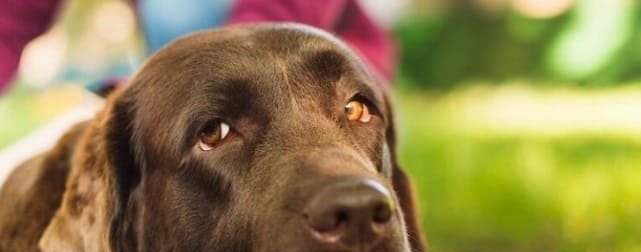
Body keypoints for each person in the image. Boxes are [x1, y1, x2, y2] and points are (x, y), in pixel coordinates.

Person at [0, 0, 396, 93]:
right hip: (186, 94)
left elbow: (279, 16)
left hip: (325, 90)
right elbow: (9, 22)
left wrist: (160, 95)